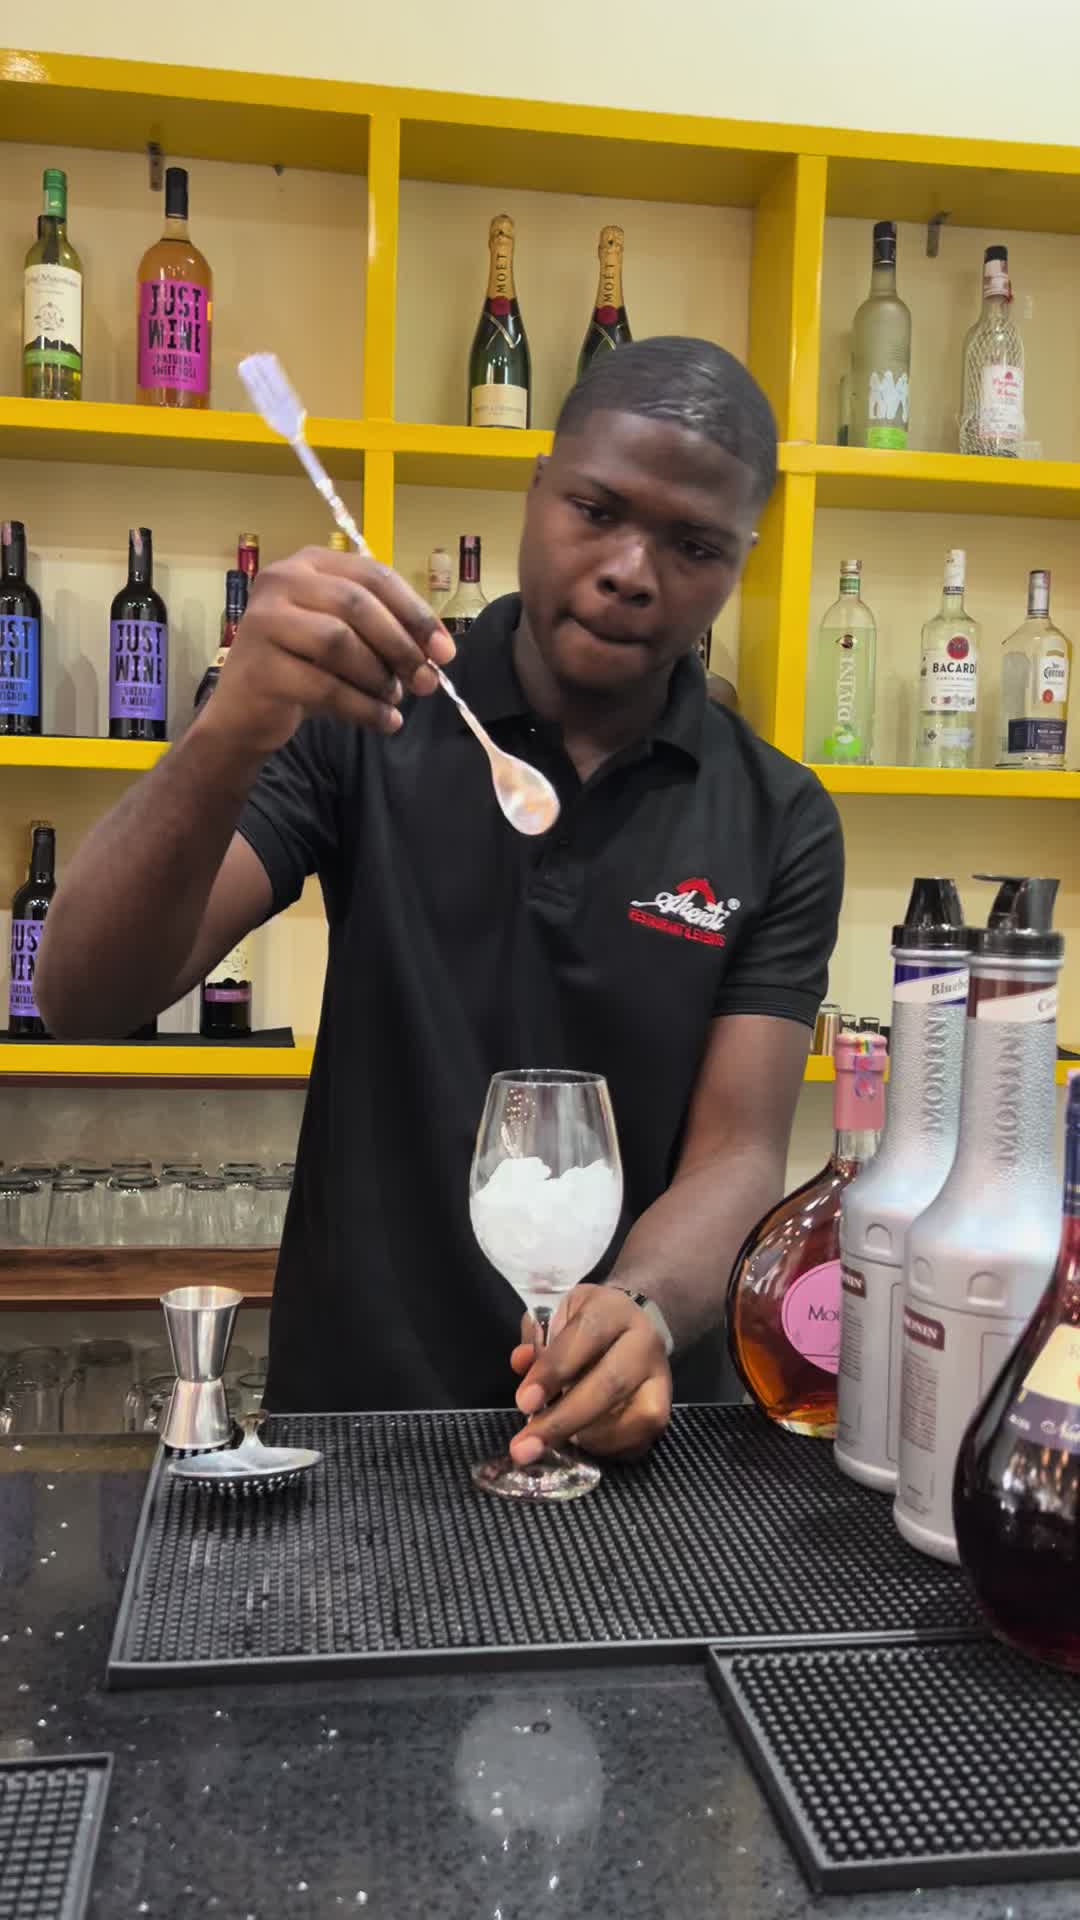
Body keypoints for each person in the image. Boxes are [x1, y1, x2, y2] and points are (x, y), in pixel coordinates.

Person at [36, 336, 843, 1470]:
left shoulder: (779, 816)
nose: (631, 570)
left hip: (629, 1438)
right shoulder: (368, 721)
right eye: (598, 510)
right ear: (537, 490)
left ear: (740, 562)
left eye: (694, 545)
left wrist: (643, 1309)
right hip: (356, 1424)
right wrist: (230, 729)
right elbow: (82, 995)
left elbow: (739, 1152)